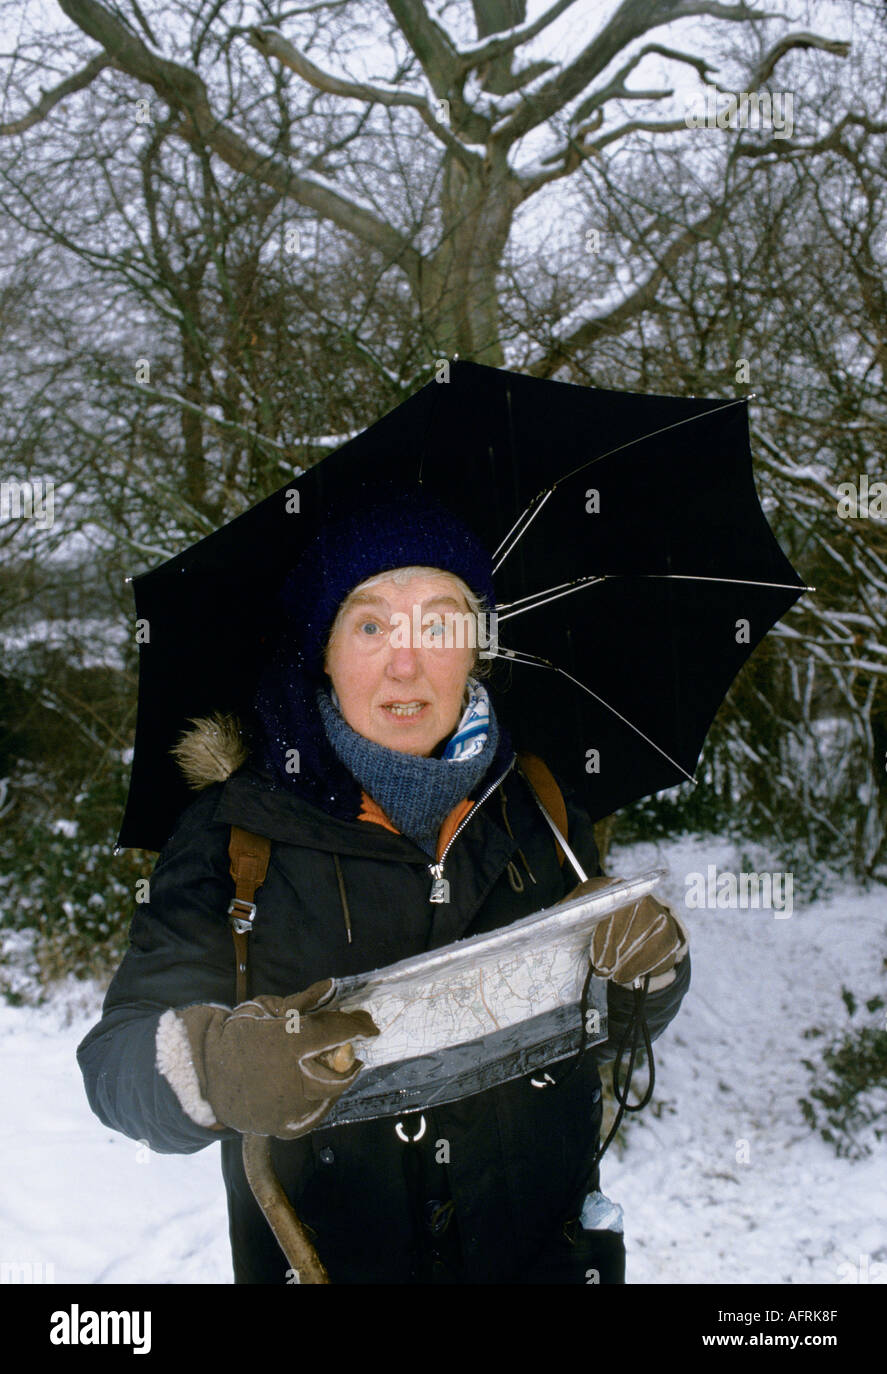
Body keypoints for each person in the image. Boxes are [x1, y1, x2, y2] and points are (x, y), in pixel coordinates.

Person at [77, 492, 690, 1284]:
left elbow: (609, 1022)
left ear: (476, 647)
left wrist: (649, 972)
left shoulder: (537, 799)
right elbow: (115, 1066)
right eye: (370, 626)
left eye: (439, 624)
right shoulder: (236, 836)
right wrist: (216, 1067)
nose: (407, 663)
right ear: (321, 650)